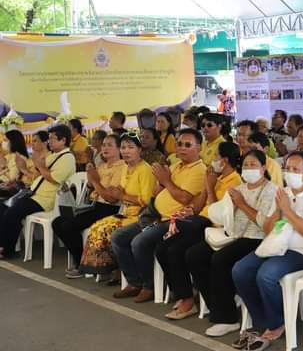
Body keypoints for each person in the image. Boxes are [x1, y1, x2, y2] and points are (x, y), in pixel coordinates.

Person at [231, 151, 303, 347]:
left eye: (296, 169)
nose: (289, 173)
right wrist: (278, 210)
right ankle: (264, 318)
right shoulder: (283, 193)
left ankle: (277, 323)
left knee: (266, 275)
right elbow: (268, 229)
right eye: (287, 168)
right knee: (240, 270)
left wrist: (287, 209)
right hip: (276, 246)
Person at [183, 149, 278, 336]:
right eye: (246, 165)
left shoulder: (271, 191)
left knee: (220, 259)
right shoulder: (238, 189)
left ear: (263, 168)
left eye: (253, 165)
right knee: (194, 255)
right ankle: (217, 303)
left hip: (257, 239)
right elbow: (219, 217)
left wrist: (241, 204)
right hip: (233, 236)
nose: (249, 168)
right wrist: (228, 208)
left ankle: (226, 318)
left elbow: (265, 224)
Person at [111, 128, 207, 302]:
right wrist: (161, 179)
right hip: (155, 216)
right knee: (119, 236)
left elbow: (185, 198)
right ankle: (134, 282)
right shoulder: (175, 166)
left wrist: (166, 180)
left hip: (174, 221)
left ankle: (149, 286)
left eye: (188, 145)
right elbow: (156, 192)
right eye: (179, 144)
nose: (182, 148)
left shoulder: (200, 170)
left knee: (139, 242)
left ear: (199, 147)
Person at [156, 142, 242, 320]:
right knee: (162, 248)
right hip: (200, 220)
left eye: (216, 156)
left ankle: (188, 301)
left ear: (225, 161)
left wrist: (209, 187)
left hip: (212, 225)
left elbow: (219, 213)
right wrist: (194, 206)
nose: (213, 160)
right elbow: (201, 204)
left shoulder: (234, 181)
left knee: (178, 251)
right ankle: (182, 294)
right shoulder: (217, 177)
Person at [78, 133, 156, 280]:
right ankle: (111, 270)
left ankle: (124, 274)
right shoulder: (127, 167)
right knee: (96, 227)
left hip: (140, 216)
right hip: (126, 212)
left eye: (130, 147)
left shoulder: (145, 170)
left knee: (105, 230)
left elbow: (147, 201)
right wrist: (117, 192)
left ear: (139, 150)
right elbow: (120, 189)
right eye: (123, 148)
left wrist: (122, 196)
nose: (126, 151)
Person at [0, 125, 76, 259]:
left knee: (13, 212)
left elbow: (53, 178)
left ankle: (7, 250)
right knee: (4, 208)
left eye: (52, 139)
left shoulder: (67, 158)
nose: (49, 141)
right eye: (49, 138)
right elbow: (37, 175)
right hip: (35, 194)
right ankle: (5, 245)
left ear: (63, 140)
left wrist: (38, 165)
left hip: (47, 199)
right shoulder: (55, 155)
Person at [57, 134, 127, 278]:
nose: (105, 148)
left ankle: (82, 265)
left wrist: (94, 181)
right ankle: (82, 259)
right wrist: (90, 184)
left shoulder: (122, 168)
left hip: (110, 209)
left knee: (68, 226)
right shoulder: (101, 166)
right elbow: (91, 193)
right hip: (96, 205)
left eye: (110, 145)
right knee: (57, 222)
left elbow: (110, 198)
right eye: (104, 145)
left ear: (119, 149)